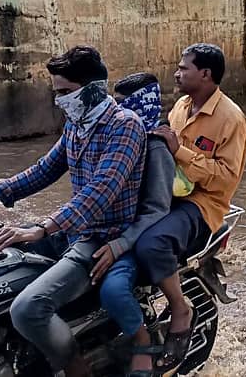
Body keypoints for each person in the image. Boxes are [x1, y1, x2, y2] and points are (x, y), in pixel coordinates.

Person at [0, 46, 146, 377]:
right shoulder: (77, 125)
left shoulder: (124, 126)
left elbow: (101, 192)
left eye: (65, 92)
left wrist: (41, 228)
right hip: (68, 230)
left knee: (27, 309)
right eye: (56, 93)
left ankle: (76, 370)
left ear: (93, 89)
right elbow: (41, 171)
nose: (59, 101)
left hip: (100, 238)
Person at [136, 43, 246, 374]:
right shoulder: (181, 107)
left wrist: (179, 151)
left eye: (184, 67)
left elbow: (226, 180)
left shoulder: (231, 118)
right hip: (168, 194)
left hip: (203, 204)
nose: (177, 72)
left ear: (205, 74)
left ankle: (180, 312)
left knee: (152, 243)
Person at [90, 72, 174, 377]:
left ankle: (143, 341)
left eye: (127, 104)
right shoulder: (111, 140)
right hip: (101, 230)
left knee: (113, 291)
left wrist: (120, 244)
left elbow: (156, 210)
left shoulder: (156, 148)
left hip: (133, 238)